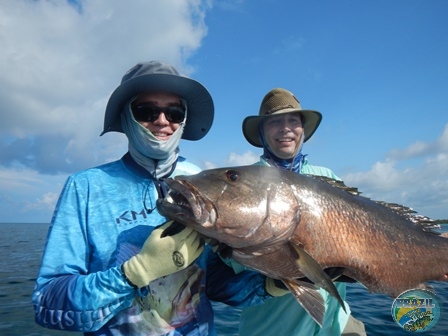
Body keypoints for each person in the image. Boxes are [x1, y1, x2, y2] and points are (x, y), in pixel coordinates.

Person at [32, 61, 272, 335]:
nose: (162, 121)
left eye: (174, 112)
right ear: (125, 116)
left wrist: (269, 285)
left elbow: (215, 283)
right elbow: (48, 302)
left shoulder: (204, 184)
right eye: (146, 111)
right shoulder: (84, 187)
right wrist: (134, 273)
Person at [231, 88, 367, 335]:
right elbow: (225, 284)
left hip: (338, 324)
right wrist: (272, 283)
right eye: (275, 121)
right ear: (262, 131)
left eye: (293, 121)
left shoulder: (329, 177)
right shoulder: (240, 184)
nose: (286, 128)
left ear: (302, 130)